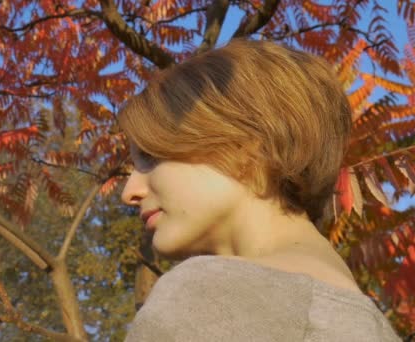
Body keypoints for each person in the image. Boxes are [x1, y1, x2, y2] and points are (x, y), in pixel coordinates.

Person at [118, 38, 402, 341]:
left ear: (243, 148)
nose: (129, 191)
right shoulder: (369, 326)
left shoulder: (206, 296)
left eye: (150, 157)